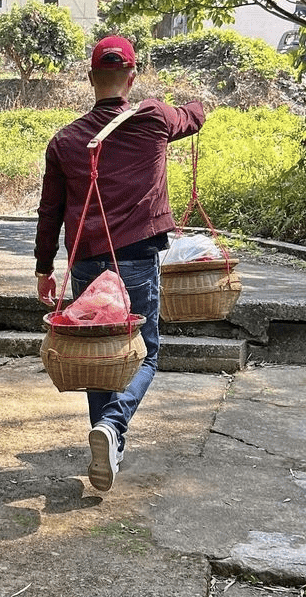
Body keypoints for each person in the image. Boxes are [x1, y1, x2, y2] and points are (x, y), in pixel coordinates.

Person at [34, 35, 205, 493]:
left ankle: (109, 439)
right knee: (145, 352)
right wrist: (196, 102)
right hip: (135, 259)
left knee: (97, 354)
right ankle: (112, 427)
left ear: (91, 80)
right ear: (131, 77)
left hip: (86, 263)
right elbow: (192, 118)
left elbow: (49, 210)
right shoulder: (151, 117)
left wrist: (42, 268)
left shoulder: (66, 141)